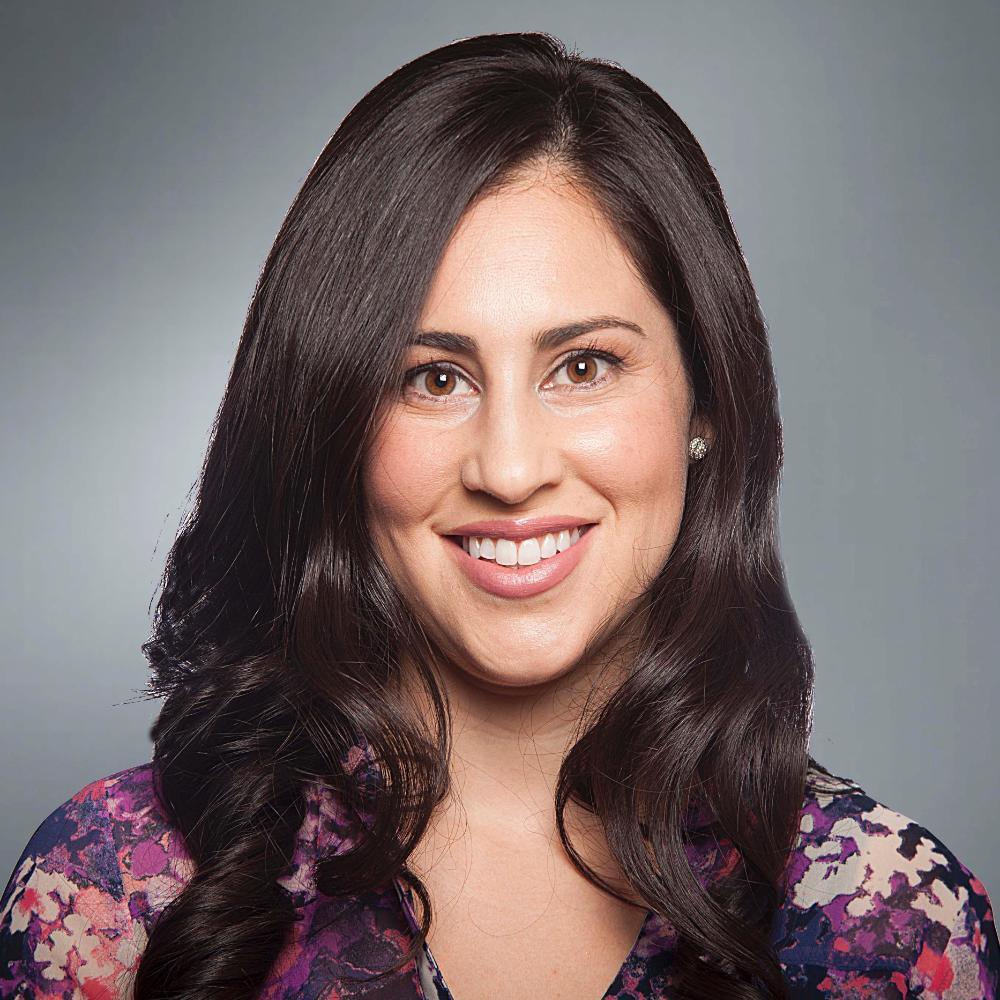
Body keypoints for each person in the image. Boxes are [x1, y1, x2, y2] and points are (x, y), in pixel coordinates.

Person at [1, 30, 996, 1000]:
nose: (510, 471)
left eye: (584, 366)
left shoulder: (892, 924)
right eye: (433, 378)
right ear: (329, 421)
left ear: (705, 404)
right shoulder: (114, 892)